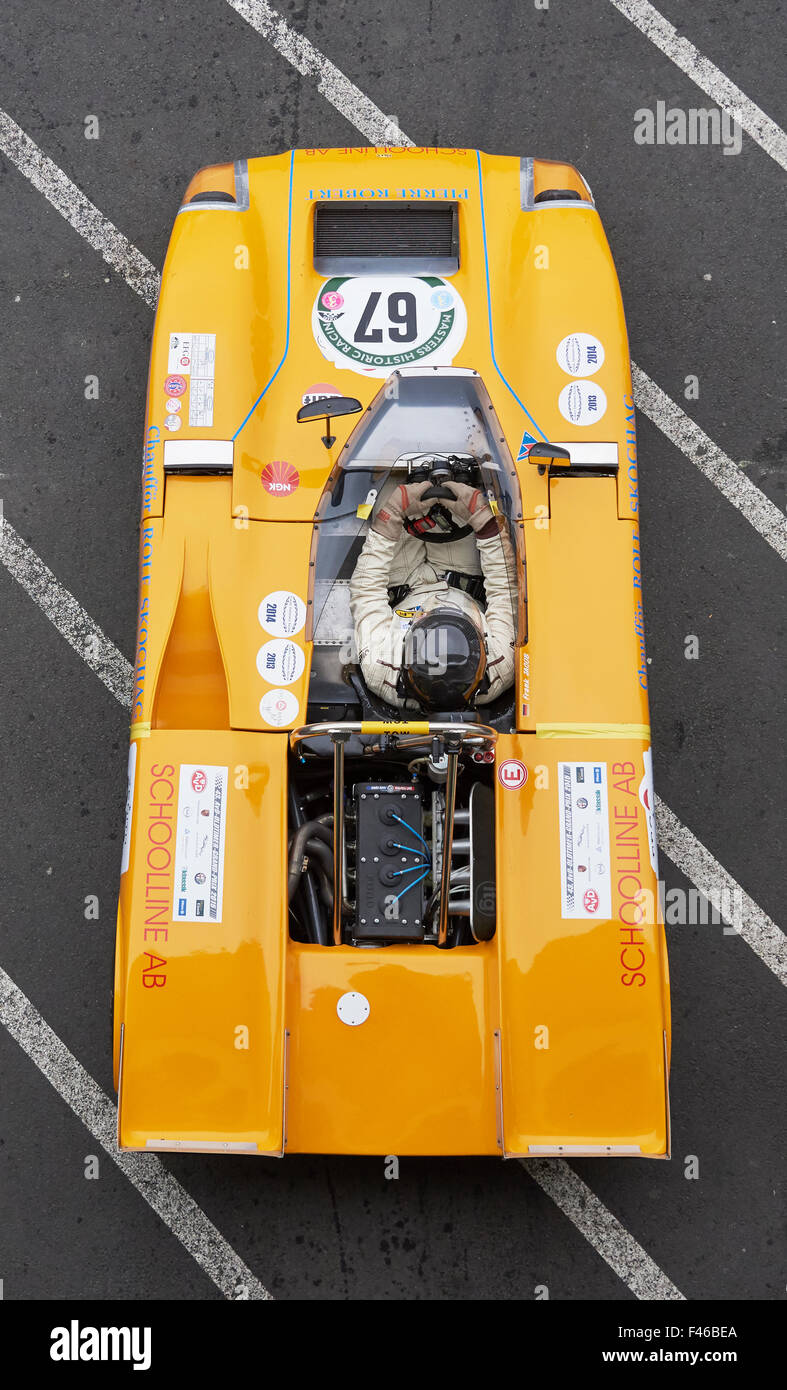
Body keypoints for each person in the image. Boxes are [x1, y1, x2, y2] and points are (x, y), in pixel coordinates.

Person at [349, 477, 517, 711]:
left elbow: (366, 590)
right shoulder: (502, 668)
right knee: (464, 487)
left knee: (390, 486)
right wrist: (485, 522)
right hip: (463, 578)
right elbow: (504, 590)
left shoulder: (381, 670)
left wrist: (392, 513)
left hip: (403, 580)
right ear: (482, 651)